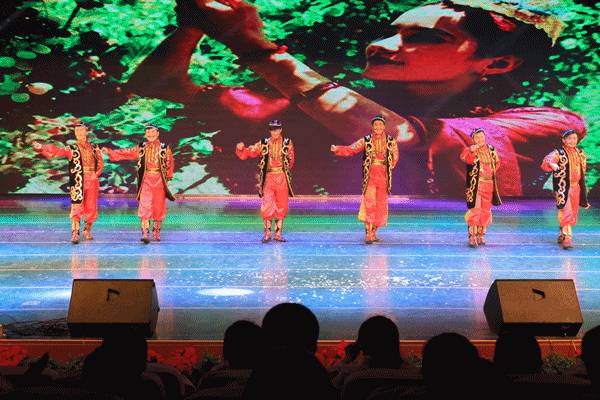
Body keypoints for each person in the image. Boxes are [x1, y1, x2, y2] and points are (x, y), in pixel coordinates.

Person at [124, 0, 587, 198]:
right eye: (392, 30)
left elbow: (396, 135)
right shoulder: (321, 108)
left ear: (498, 62)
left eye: (425, 37)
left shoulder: (545, 122)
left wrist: (250, 44)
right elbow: (161, 86)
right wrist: (193, 28)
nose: (382, 45)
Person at [102, 123, 176, 244]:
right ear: (145, 134)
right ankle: (145, 233)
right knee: (145, 205)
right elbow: (127, 153)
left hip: (159, 181)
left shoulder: (164, 148)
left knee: (159, 207)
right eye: (148, 133)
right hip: (146, 180)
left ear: (157, 133)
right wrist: (110, 152)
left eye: (153, 132)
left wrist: (167, 178)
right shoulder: (141, 147)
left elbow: (170, 163)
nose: (151, 135)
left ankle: (156, 232)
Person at [32, 122, 104, 244]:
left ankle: (87, 231)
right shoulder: (72, 148)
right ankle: (75, 233)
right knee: (77, 206)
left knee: (91, 206)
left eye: (81, 130)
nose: (79, 133)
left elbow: (100, 162)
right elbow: (57, 152)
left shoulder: (94, 147)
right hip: (78, 180)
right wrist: (43, 148)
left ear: (86, 132)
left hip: (92, 180)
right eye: (76, 131)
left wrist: (95, 174)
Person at [331, 115, 398, 244]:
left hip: (383, 177)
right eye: (375, 124)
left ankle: (374, 233)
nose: (378, 127)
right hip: (370, 176)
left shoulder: (390, 141)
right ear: (372, 126)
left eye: (380, 124)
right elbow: (352, 148)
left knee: (380, 205)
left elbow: (395, 155)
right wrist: (338, 149)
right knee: (369, 203)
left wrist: (389, 167)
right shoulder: (366, 140)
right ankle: (368, 234)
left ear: (384, 126)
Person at [236, 119, 294, 243]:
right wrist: (242, 149)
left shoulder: (287, 143)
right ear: (270, 131)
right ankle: (267, 234)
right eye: (273, 130)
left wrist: (283, 172)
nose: (275, 132)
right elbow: (251, 151)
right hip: (268, 178)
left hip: (282, 178)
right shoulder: (263, 143)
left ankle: (277, 234)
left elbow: (291, 160)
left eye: (277, 129)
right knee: (267, 205)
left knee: (281, 205)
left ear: (281, 129)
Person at [541, 129, 589, 250]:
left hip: (576, 187)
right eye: (569, 138)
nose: (572, 141)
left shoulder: (581, 153)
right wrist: (552, 164)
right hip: (563, 187)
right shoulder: (558, 153)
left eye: (574, 138)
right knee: (566, 210)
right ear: (563, 140)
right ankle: (567, 238)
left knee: (572, 211)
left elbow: (582, 170)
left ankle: (561, 233)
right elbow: (547, 160)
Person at [460, 128, 501, 247]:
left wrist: (490, 172)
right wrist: (470, 151)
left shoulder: (491, 149)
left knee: (486, 211)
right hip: (476, 185)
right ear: (473, 139)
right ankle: (472, 237)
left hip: (489, 184)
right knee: (475, 210)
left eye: (482, 136)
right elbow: (466, 159)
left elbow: (497, 163)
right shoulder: (470, 150)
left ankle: (480, 236)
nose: (480, 139)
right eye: (477, 137)